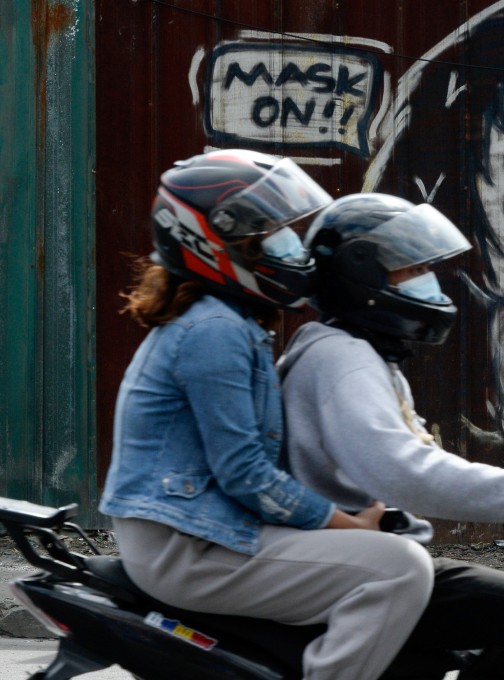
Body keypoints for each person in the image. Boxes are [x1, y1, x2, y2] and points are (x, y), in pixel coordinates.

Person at [99, 150, 434, 680]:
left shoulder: (229, 322)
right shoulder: (214, 332)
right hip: (184, 549)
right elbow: (246, 473)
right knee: (397, 570)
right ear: (215, 243)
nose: (286, 243)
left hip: (202, 534)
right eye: (269, 232)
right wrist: (350, 526)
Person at [278, 192, 504, 679]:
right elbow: (407, 473)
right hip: (359, 565)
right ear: (360, 274)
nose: (426, 280)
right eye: (409, 269)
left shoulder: (351, 353)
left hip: (367, 557)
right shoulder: (343, 360)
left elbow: (423, 464)